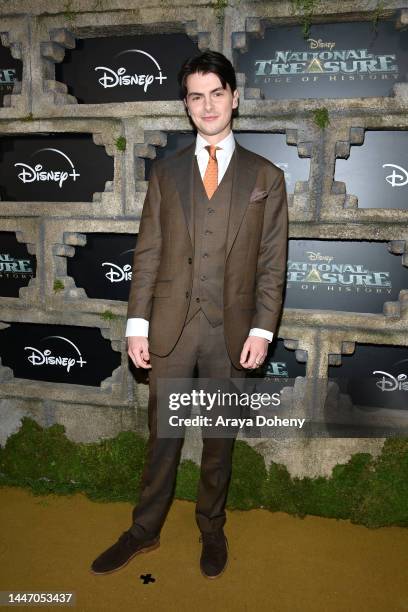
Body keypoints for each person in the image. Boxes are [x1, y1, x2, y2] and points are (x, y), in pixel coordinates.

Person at [91, 50, 288, 579]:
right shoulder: (167, 173)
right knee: (163, 439)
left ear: (234, 97)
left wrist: (264, 329)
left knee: (219, 442)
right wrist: (136, 324)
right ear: (186, 104)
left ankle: (212, 526)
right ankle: (143, 530)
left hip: (232, 332)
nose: (208, 105)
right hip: (170, 330)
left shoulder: (266, 176)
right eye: (196, 96)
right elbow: (148, 252)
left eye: (216, 93)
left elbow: (272, 263)